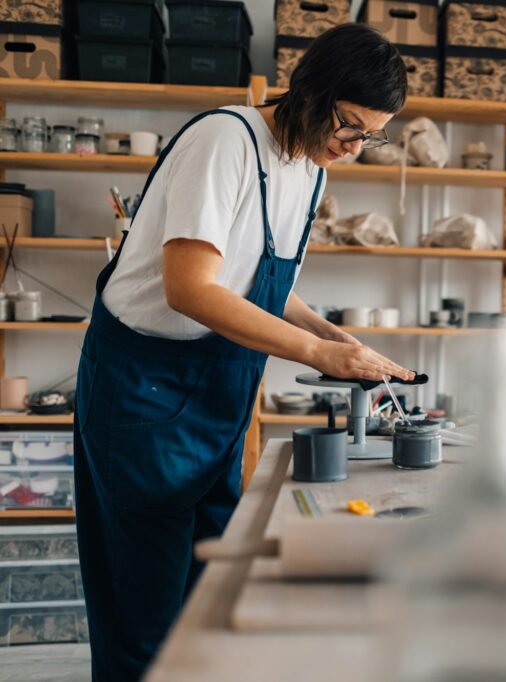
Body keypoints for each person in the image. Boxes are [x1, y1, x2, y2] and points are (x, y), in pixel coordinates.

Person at [73, 24, 413, 681]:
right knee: (144, 620)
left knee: (204, 605)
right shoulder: (225, 142)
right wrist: (319, 354)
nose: (353, 145)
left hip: (215, 407)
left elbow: (264, 286)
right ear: (310, 93)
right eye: (349, 125)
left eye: (371, 135)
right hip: (143, 398)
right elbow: (191, 290)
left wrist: (343, 341)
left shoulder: (307, 169)